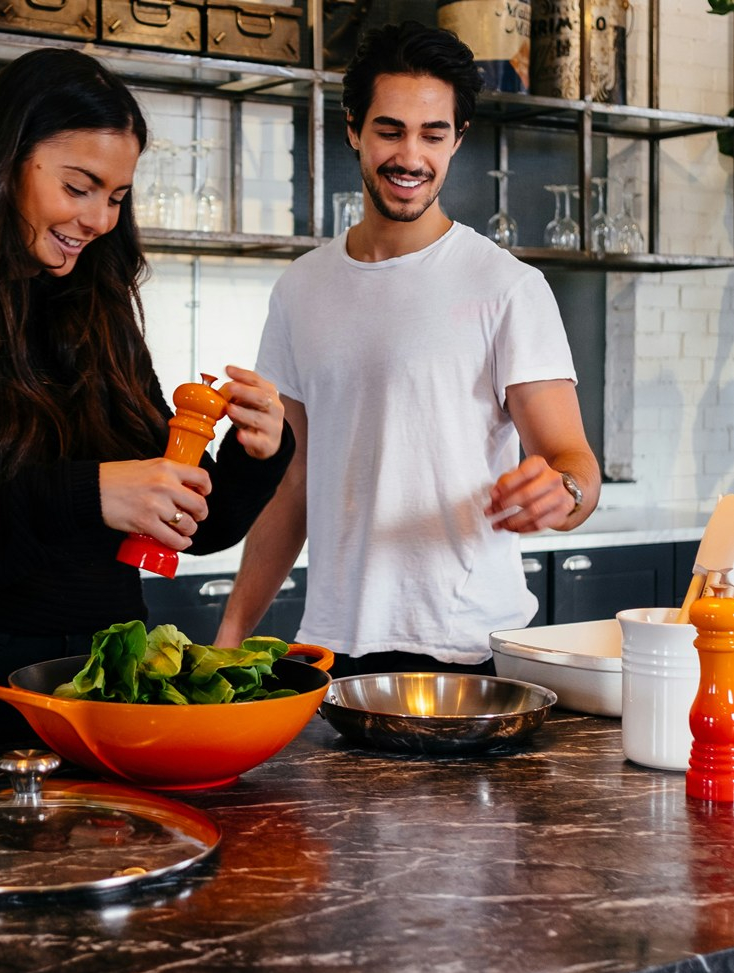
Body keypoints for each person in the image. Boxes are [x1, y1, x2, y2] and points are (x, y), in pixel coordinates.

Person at [0, 48, 293, 761]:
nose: (99, 218)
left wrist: (255, 454)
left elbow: (184, 528)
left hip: (104, 691)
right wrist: (87, 495)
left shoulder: (98, 310)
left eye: (117, 196)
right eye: (80, 186)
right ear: (6, 161)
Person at [215, 20, 601, 679]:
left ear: (457, 140)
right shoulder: (301, 288)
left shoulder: (507, 286)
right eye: (389, 130)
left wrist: (560, 492)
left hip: (466, 650)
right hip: (333, 650)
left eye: (432, 134)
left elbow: (573, 465)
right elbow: (292, 484)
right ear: (353, 130)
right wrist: (226, 639)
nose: (410, 156)